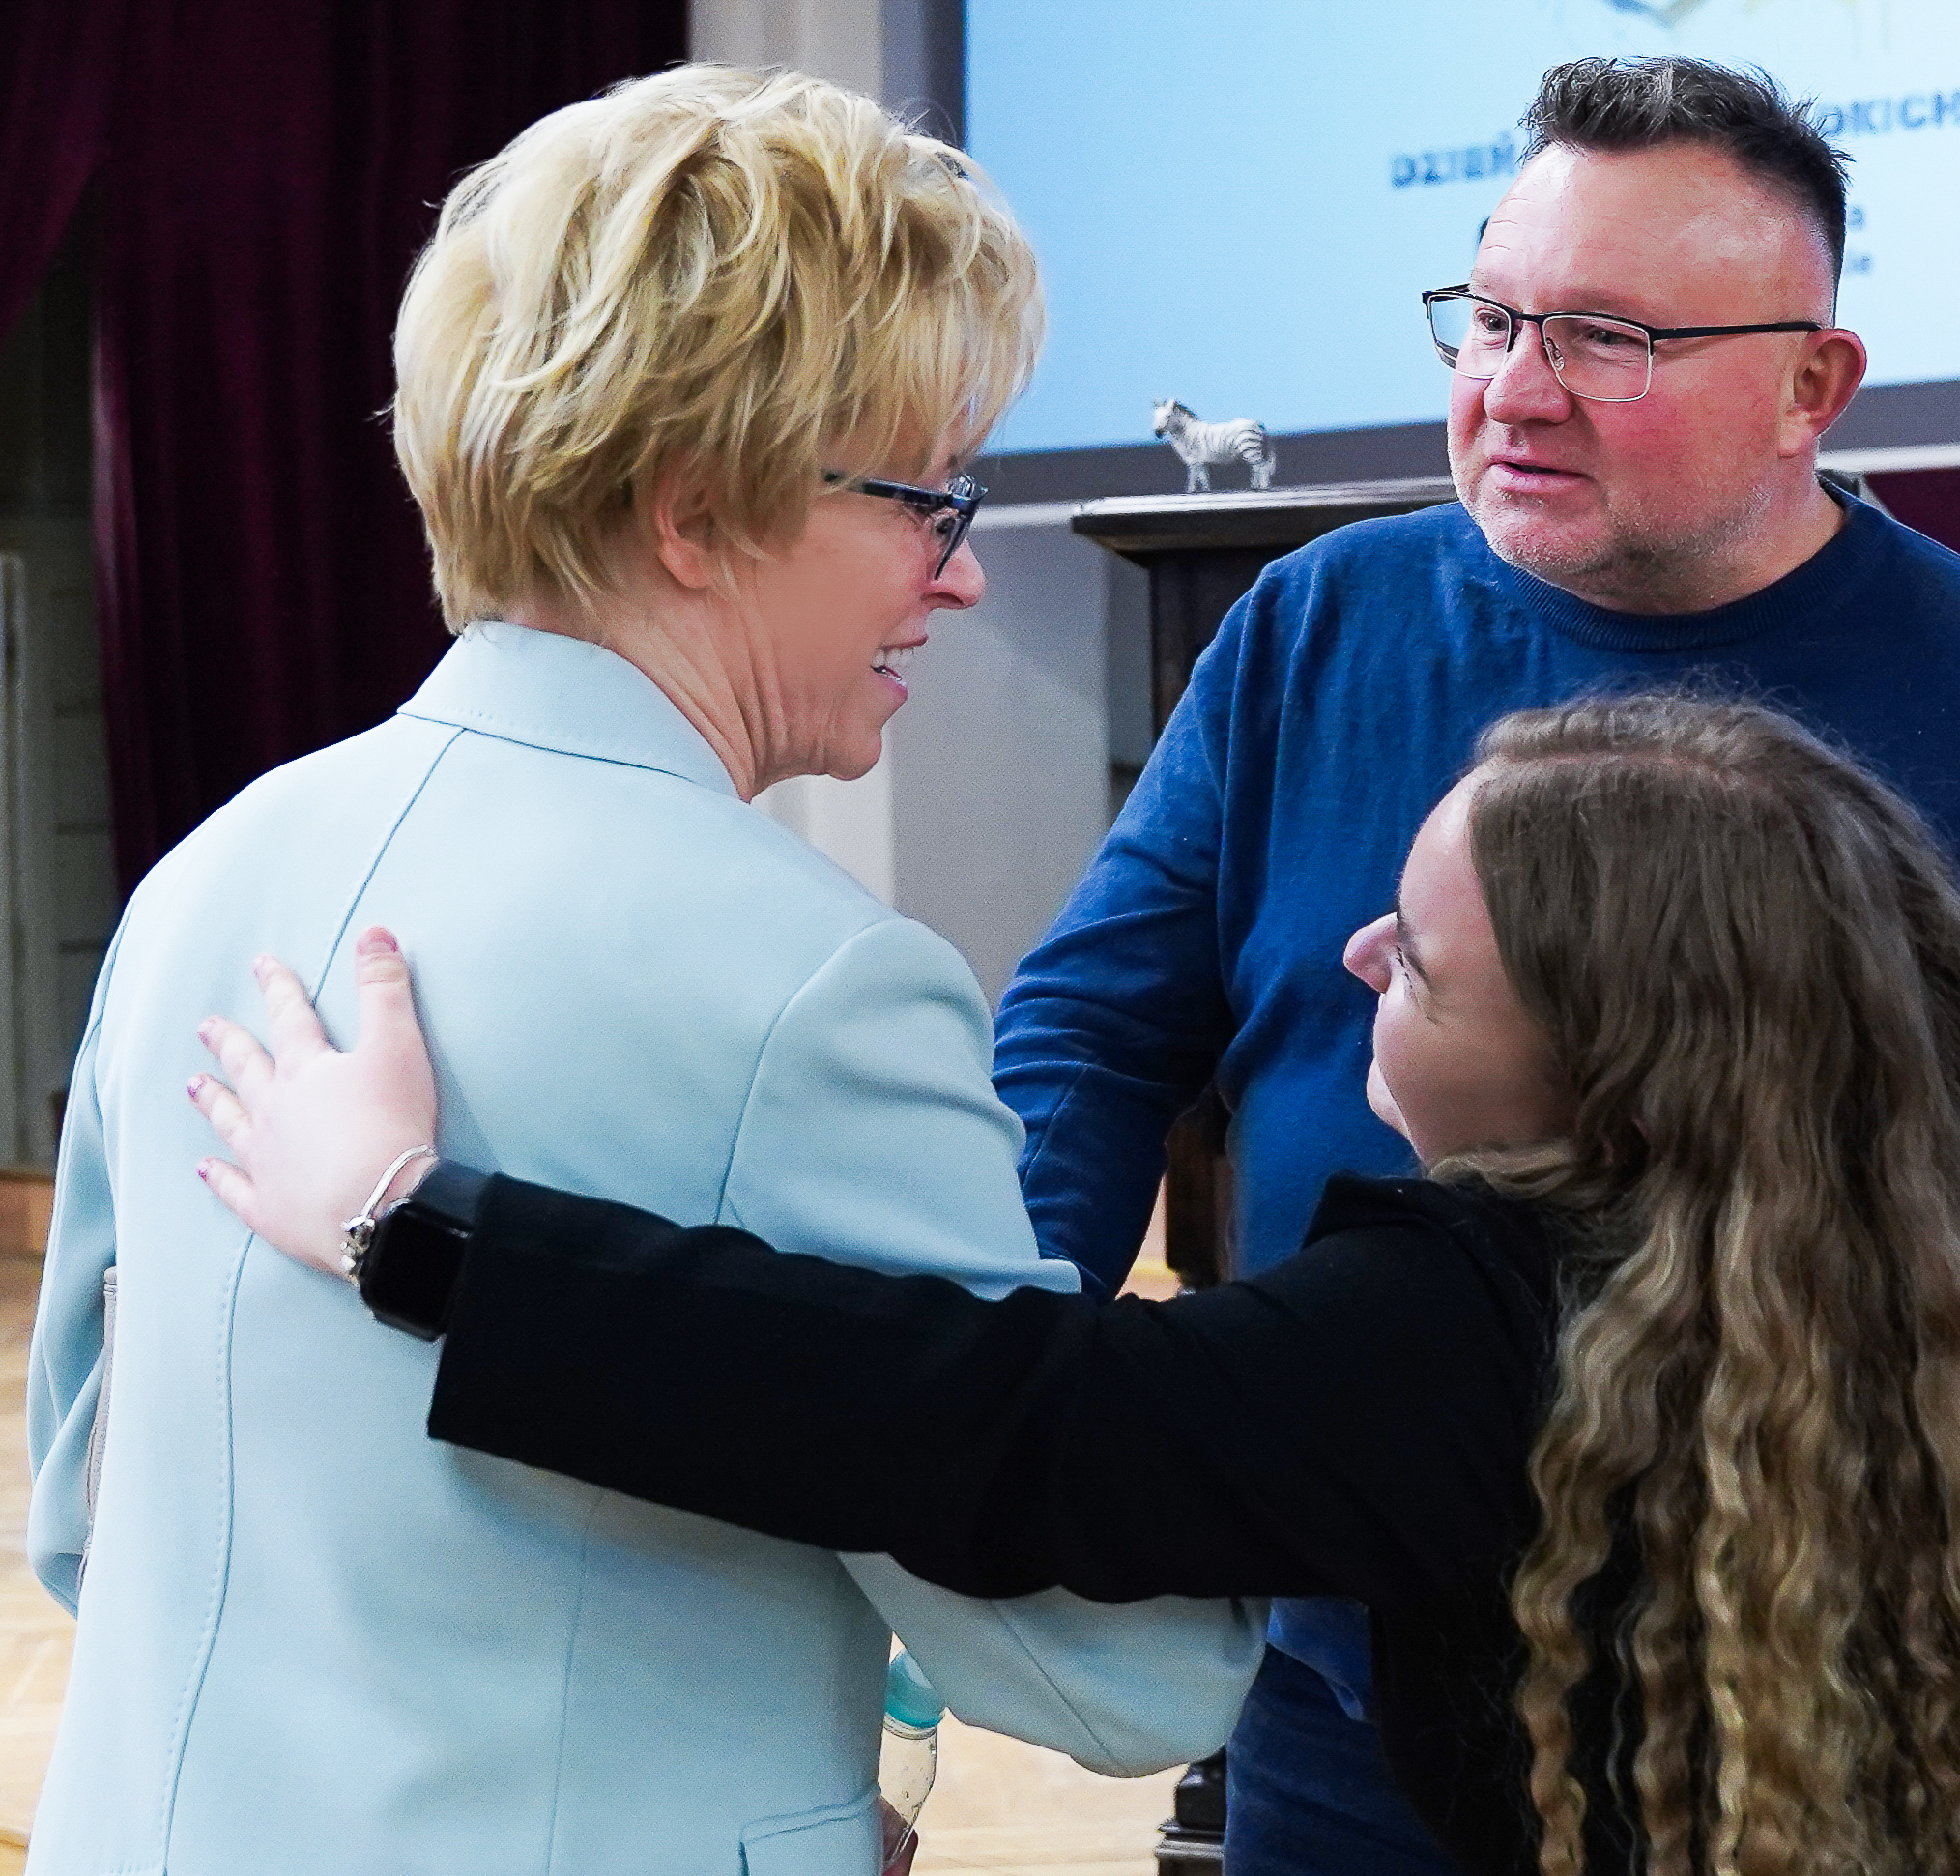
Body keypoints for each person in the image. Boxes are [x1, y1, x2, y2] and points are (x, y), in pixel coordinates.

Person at [987, 55, 1960, 1874]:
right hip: (1343, 1698)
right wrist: (1002, 1339)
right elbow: (1088, 1036)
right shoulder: (1313, 627)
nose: (1515, 387)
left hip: (1817, 1711)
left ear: (1814, 385)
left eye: (1609, 338)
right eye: (1494, 318)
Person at [189, 693, 1960, 1876]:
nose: (1355, 959)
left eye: (1427, 960)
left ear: (1612, 1058)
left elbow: (984, 1414)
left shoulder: (1479, 1331)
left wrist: (412, 1222)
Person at [24, 65, 1254, 1876]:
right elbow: (1112, 1664)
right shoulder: (819, 985)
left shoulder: (207, 874)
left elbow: (84, 1512)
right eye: (928, 501)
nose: (963, 578)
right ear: (695, 512)